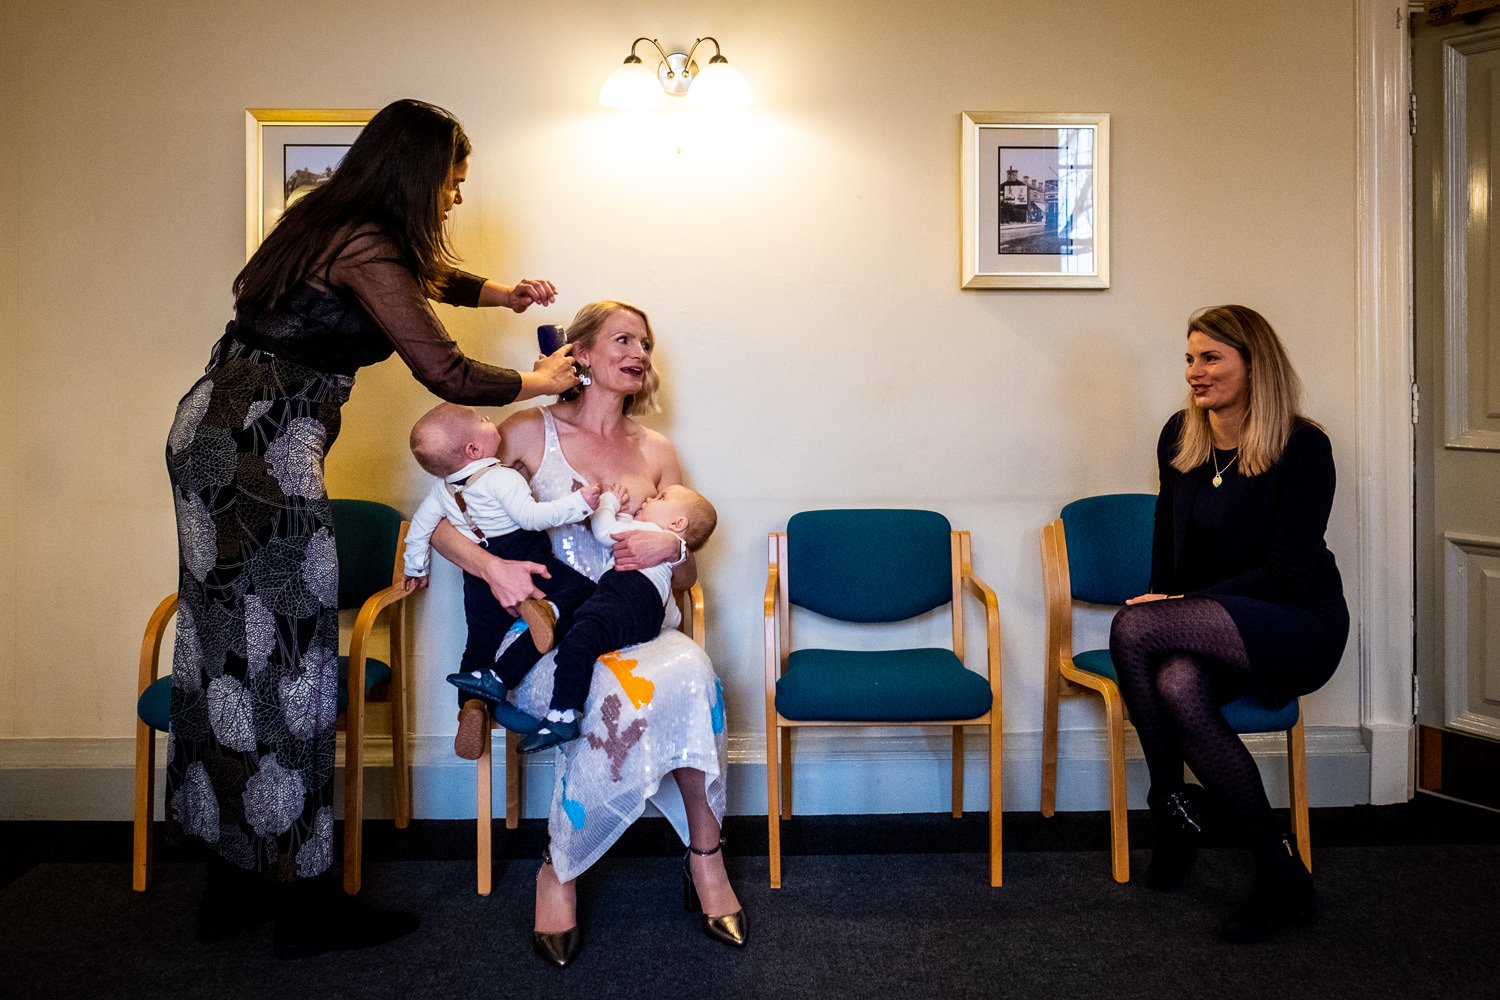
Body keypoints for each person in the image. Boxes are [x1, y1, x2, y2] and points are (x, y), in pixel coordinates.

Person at [164, 98, 578, 959]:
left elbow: (421, 280)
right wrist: (539, 381)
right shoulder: (367, 240)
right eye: (454, 182)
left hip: (212, 435)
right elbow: (444, 368)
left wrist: (498, 291)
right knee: (294, 659)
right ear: (420, 174)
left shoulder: (329, 223)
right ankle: (309, 902)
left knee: (225, 654)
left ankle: (233, 882)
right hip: (259, 453)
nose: (456, 199)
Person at [428, 300, 744, 966]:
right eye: (622, 339)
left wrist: (672, 554)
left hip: (638, 621)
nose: (639, 353)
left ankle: (706, 857)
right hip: (550, 629)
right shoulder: (523, 433)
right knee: (611, 689)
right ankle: (560, 867)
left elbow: (681, 576)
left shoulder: (657, 450)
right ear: (581, 354)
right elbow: (440, 525)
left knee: (694, 674)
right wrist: (496, 570)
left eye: (646, 343)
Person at [1108, 304, 1348, 943]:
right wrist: (1171, 599)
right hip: (1213, 620)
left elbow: (1287, 574)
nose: (1195, 372)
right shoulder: (1179, 438)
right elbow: (1169, 538)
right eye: (1189, 358)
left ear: (1254, 364)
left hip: (1296, 621)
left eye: (1211, 358)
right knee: (1178, 684)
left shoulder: (1303, 447)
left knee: (1132, 628)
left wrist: (1176, 608)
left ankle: (1168, 806)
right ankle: (1279, 868)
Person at [401, 402, 601, 755]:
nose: (490, 419)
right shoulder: (503, 478)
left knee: (480, 641)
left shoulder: (442, 491)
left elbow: (420, 530)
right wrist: (580, 503)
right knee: (583, 590)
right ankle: (548, 609)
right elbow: (533, 518)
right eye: (482, 419)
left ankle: (471, 706)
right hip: (527, 558)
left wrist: (416, 567)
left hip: (479, 579)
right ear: (474, 449)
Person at [509, 483, 719, 754]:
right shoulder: (647, 526)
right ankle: (506, 689)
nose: (649, 498)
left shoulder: (653, 531)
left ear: (677, 523)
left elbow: (605, 531)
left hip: (614, 601)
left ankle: (556, 712)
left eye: (660, 497)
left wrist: (608, 503)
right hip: (618, 605)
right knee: (567, 630)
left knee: (577, 639)